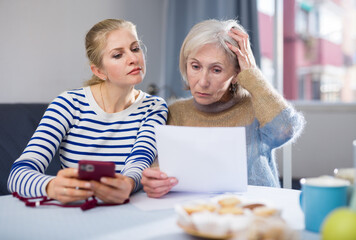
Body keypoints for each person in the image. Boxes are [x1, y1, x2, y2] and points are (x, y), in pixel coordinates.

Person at [7, 19, 168, 204]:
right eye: (118, 55)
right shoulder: (67, 104)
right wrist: (50, 186)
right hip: (75, 213)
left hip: (127, 210)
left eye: (135, 48)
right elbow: (18, 174)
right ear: (99, 71)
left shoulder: (155, 107)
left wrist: (129, 184)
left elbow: (140, 162)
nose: (134, 59)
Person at [141, 19, 305, 198]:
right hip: (196, 213)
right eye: (195, 66)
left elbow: (285, 129)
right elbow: (161, 169)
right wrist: (155, 181)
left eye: (216, 70)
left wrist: (252, 74)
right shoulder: (176, 112)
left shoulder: (256, 107)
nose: (202, 82)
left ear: (236, 74)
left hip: (255, 211)